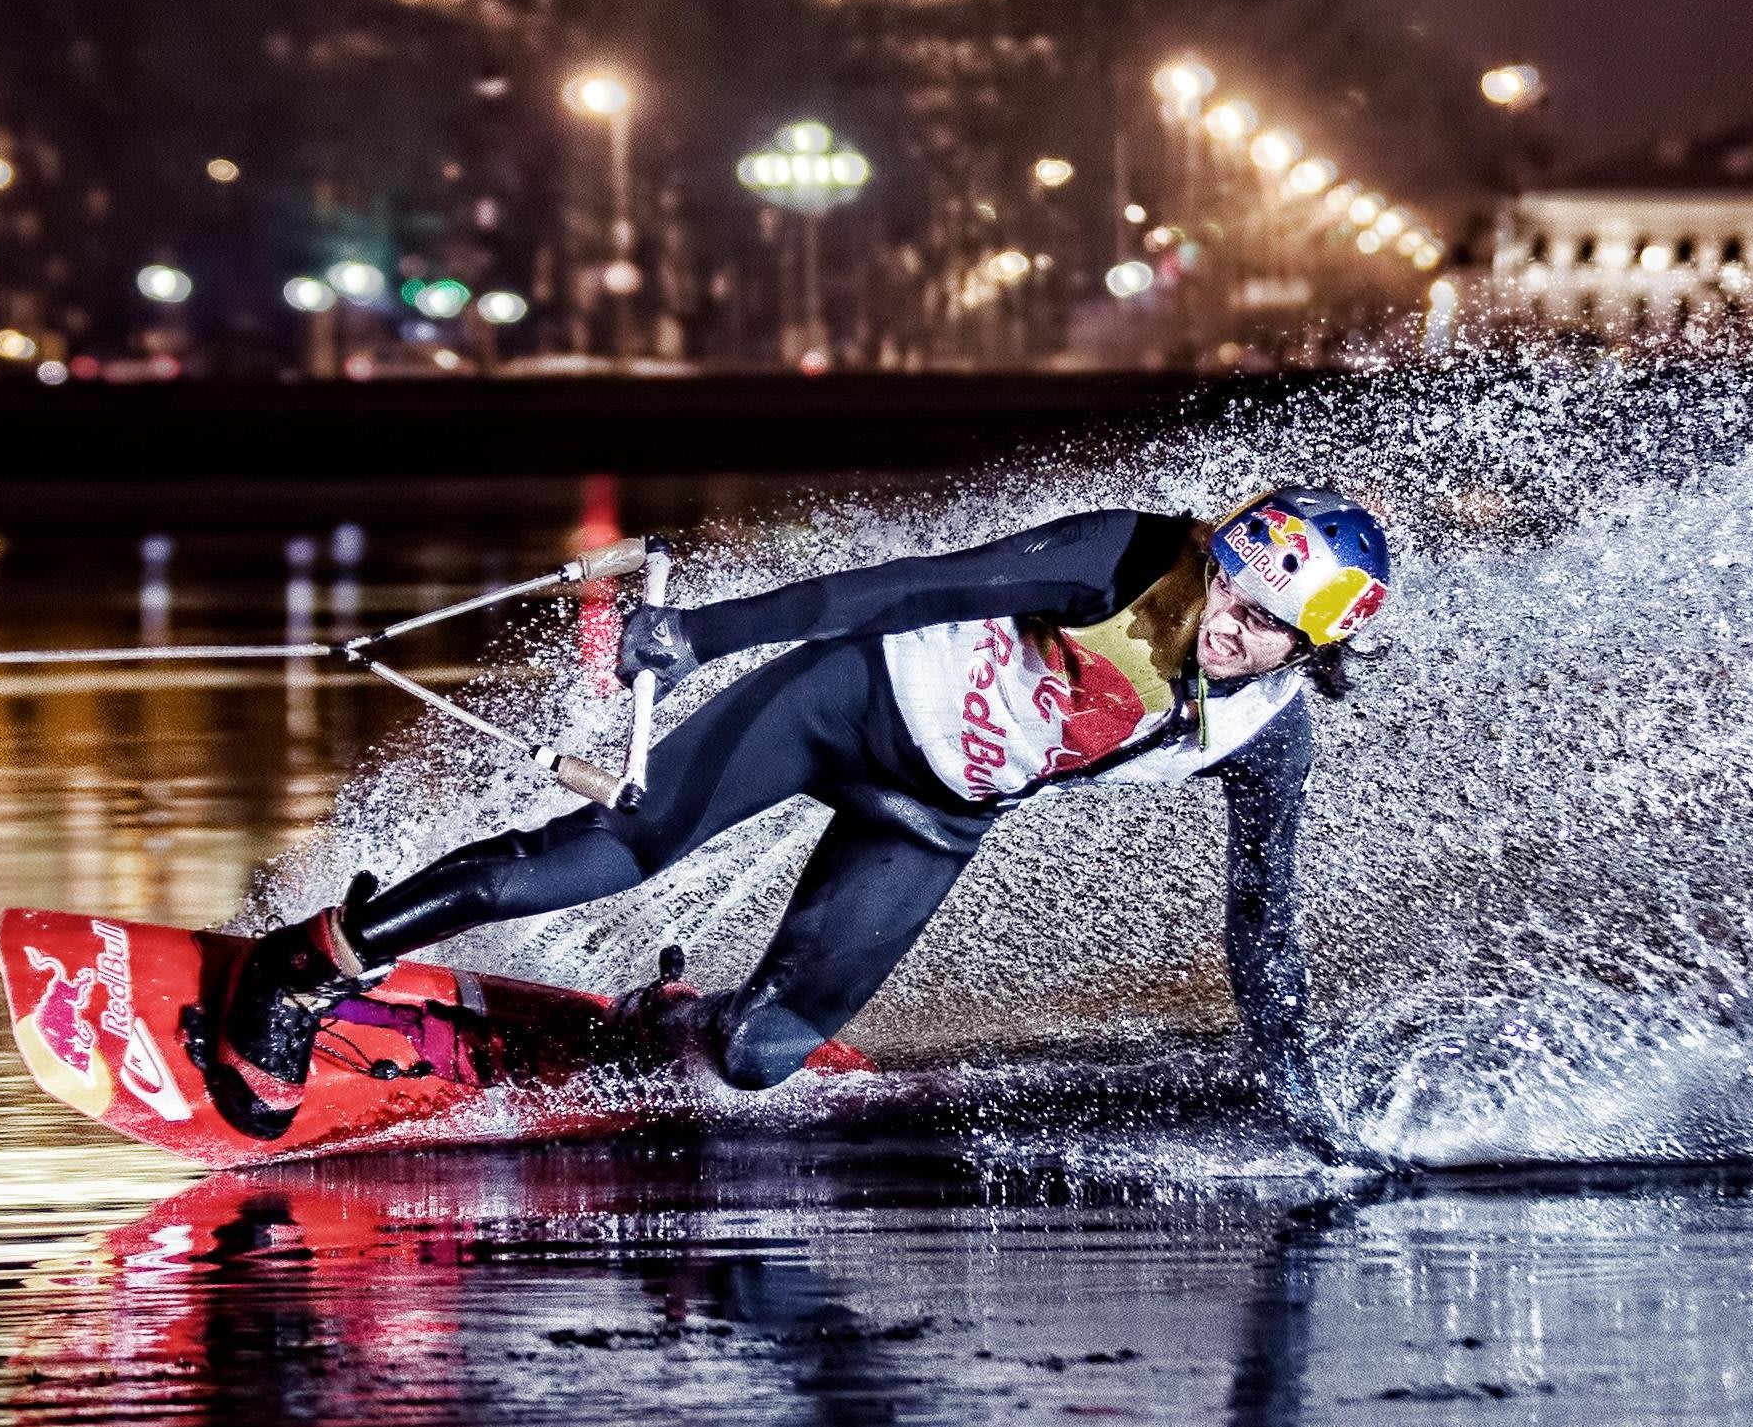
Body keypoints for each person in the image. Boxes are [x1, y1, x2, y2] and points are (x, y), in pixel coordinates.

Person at [202, 487, 1393, 1142]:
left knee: (756, 1059)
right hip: (841, 701)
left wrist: (1294, 1089)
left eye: (1258, 625)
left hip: (930, 817)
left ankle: (656, 1026)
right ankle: (302, 966)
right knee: (602, 855)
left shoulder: (1264, 739)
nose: (1222, 626)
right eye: (1226, 592)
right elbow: (915, 585)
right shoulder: (1127, 555)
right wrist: (700, 638)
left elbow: (1262, 922)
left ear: (1310, 648)